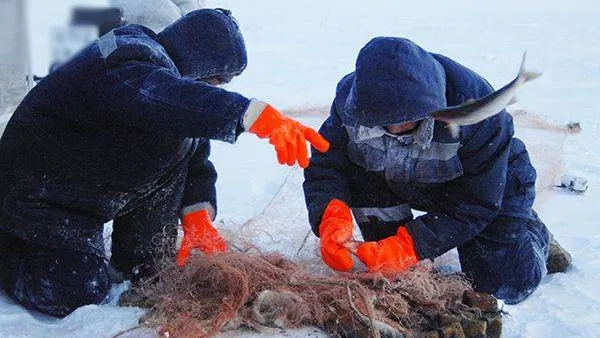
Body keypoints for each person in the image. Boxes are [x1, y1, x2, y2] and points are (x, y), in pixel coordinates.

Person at [0, 8, 328, 317]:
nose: (217, 88)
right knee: (74, 293)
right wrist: (250, 115)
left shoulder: (173, 95)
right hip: (42, 195)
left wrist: (198, 214)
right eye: (215, 81)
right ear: (194, 59)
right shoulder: (126, 59)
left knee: (149, 274)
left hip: (92, 192)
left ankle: (138, 261)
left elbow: (193, 154)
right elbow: (161, 96)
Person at [303, 37, 571, 304]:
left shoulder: (475, 108)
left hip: (488, 185)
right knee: (389, 272)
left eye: (407, 118)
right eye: (385, 122)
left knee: (502, 283)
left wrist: (412, 244)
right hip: (402, 178)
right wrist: (330, 217)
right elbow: (328, 163)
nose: (396, 129)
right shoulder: (353, 103)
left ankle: (533, 232)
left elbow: (477, 202)